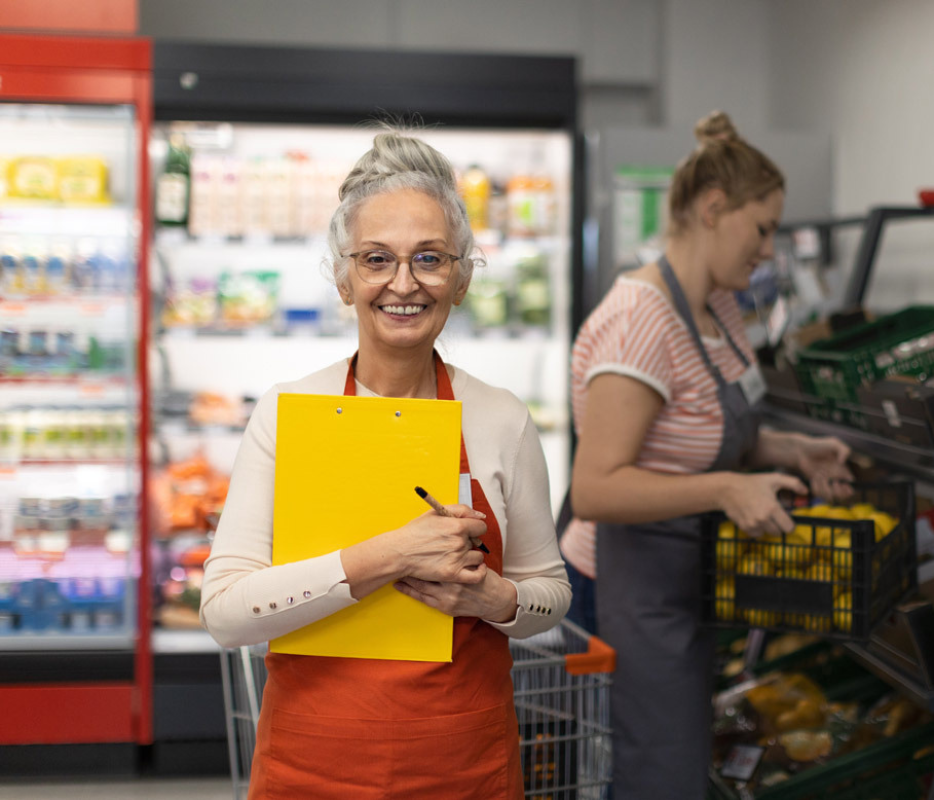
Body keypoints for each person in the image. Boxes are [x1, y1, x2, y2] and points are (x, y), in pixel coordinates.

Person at [200, 129, 571, 799]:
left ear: (459, 279)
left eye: (429, 258)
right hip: (313, 766)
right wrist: (388, 556)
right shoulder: (288, 413)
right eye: (377, 259)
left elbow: (550, 591)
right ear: (345, 279)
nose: (404, 283)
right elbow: (226, 613)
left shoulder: (500, 418)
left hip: (464, 768)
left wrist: (495, 598)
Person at [559, 110, 854, 798]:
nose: (768, 250)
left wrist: (793, 449)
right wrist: (727, 489)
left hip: (681, 579)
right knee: (650, 775)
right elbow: (597, 487)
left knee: (681, 769)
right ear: (715, 209)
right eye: (763, 228)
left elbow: (710, 433)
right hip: (618, 592)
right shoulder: (639, 322)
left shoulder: (719, 305)